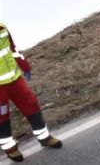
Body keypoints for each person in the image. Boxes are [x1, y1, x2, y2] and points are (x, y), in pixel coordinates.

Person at [0, 24, 62, 162]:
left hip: (15, 80)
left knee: (31, 105)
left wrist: (25, 66)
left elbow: (13, 49)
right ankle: (10, 149)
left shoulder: (2, 28)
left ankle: (44, 137)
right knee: (1, 117)